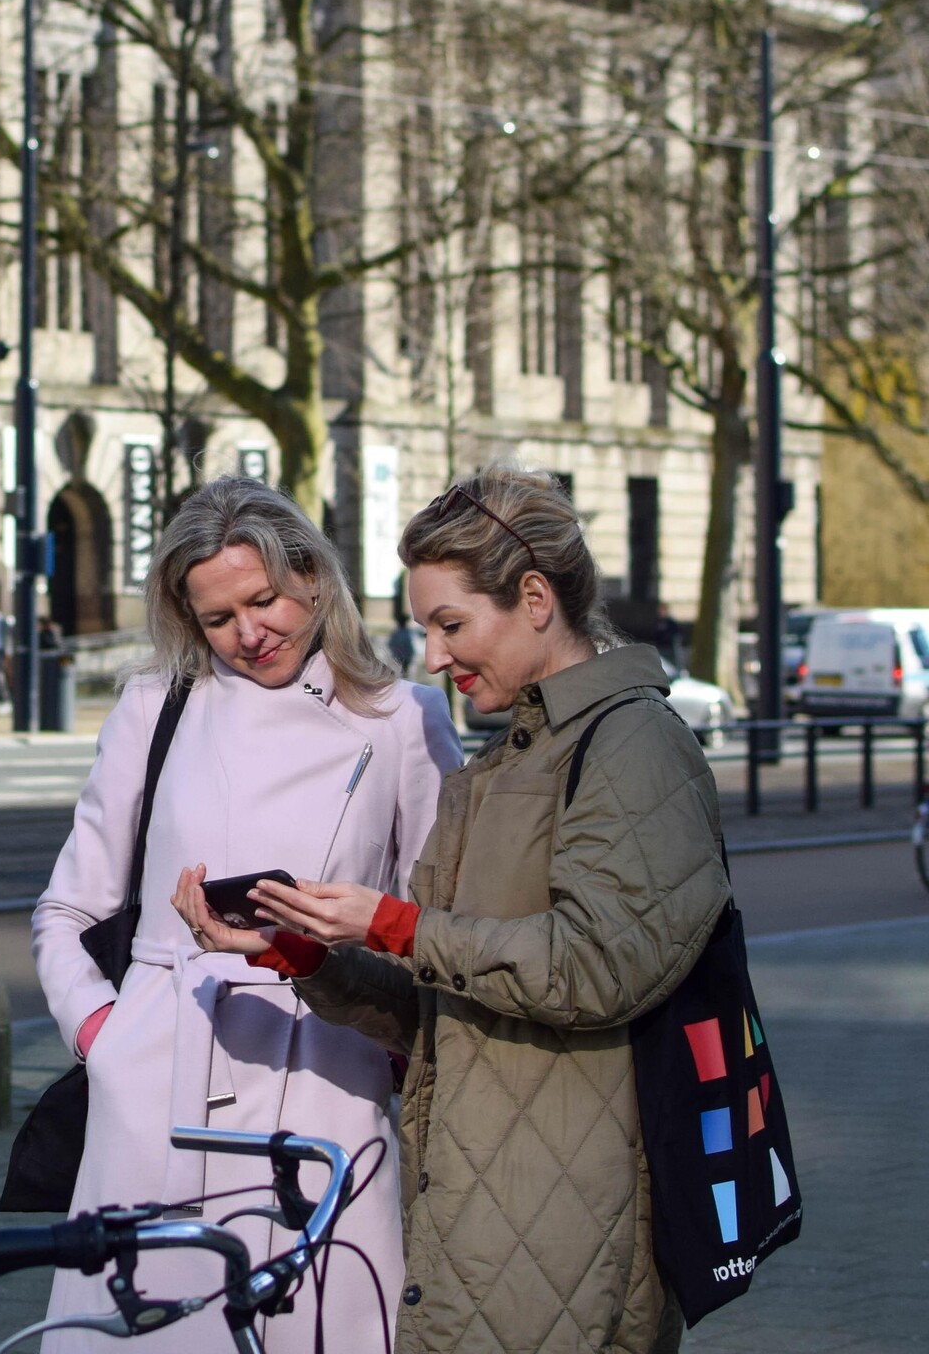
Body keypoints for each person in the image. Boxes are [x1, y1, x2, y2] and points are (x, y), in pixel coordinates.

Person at [184, 467, 730, 1354]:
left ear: (535, 598)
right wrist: (304, 952)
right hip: (477, 1210)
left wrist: (391, 924)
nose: (434, 658)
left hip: (567, 1220)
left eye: (451, 625)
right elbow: (436, 1001)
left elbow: (595, 969)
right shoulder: (503, 764)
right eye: (426, 630)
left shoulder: (633, 745)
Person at [34, 475, 462, 1353]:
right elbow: (66, 907)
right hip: (163, 1078)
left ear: (311, 574)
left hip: (325, 1082)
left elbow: (435, 923)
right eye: (218, 618)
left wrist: (380, 1032)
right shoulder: (156, 706)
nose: (249, 633)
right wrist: (105, 1037)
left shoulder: (402, 719)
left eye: (264, 600)